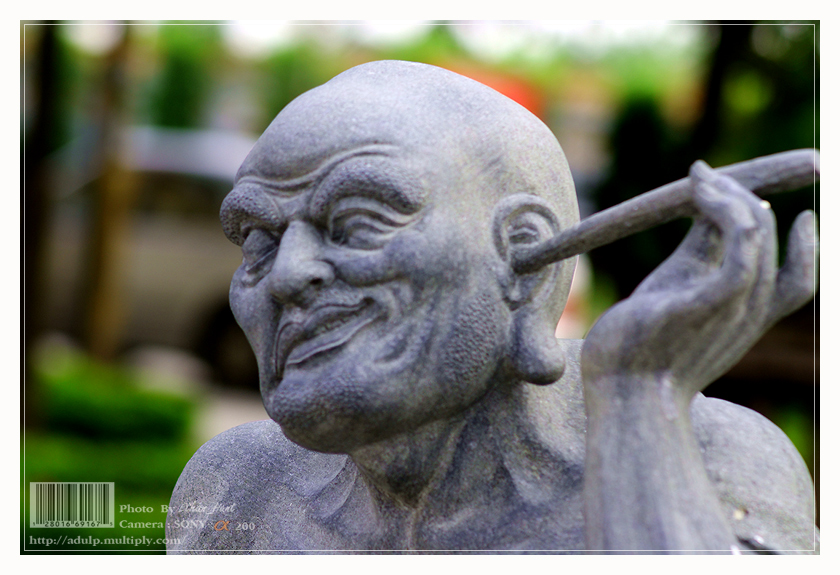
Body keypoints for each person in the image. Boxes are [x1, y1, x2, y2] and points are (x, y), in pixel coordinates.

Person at [166, 60, 817, 553]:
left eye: (358, 222)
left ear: (525, 262)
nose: (286, 275)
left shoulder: (704, 458)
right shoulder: (235, 490)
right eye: (258, 240)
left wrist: (640, 401)